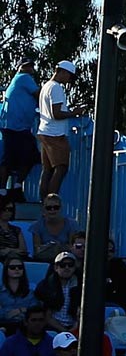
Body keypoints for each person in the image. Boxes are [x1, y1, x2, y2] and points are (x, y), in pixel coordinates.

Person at [35, 60, 80, 199]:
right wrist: (75, 112)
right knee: (61, 168)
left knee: (47, 169)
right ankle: (51, 201)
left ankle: (44, 203)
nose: (69, 79)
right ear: (62, 72)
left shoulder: (46, 86)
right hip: (55, 134)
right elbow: (56, 114)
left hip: (44, 131)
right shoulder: (56, 88)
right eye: (69, 76)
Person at [1, 67, 38, 200]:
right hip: (16, 127)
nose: (29, 68)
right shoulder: (24, 77)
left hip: (14, 126)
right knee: (24, 156)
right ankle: (10, 188)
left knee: (16, 158)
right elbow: (39, 94)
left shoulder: (17, 80)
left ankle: (7, 189)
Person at [34, 250, 81, 328]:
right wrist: (64, 331)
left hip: (76, 328)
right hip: (51, 328)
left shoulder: (81, 286)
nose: (67, 267)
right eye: (63, 265)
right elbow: (46, 316)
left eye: (70, 265)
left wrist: (74, 329)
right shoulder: (45, 286)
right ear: (56, 267)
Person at [30, 195, 79, 261]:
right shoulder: (37, 226)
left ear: (61, 208)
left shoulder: (71, 224)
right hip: (44, 260)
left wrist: (54, 247)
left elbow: (73, 247)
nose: (52, 210)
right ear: (43, 209)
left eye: (56, 207)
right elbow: (37, 250)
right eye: (49, 208)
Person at [103, 238, 126, 317]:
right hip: (101, 299)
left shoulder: (118, 264)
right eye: (106, 250)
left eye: (111, 251)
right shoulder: (92, 265)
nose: (109, 253)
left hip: (118, 298)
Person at [0, 256, 35, 333]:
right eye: (12, 267)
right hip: (4, 326)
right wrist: (22, 310)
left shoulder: (30, 293)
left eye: (20, 267)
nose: (17, 269)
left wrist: (14, 312)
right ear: (6, 270)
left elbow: (34, 312)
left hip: (25, 326)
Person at [0, 194, 25, 262]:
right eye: (5, 209)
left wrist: (9, 250)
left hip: (15, 259)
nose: (7, 212)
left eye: (10, 209)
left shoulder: (17, 230)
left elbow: (23, 250)